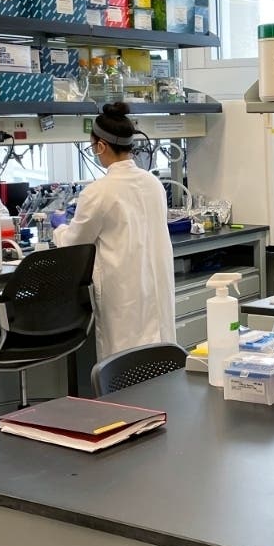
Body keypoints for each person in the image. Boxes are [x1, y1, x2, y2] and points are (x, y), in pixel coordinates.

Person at [52, 102, 177, 361]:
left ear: (101, 146)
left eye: (93, 148)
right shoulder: (153, 183)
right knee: (159, 364)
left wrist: (59, 226)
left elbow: (74, 244)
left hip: (124, 295)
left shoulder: (99, 192)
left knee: (123, 368)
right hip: (154, 287)